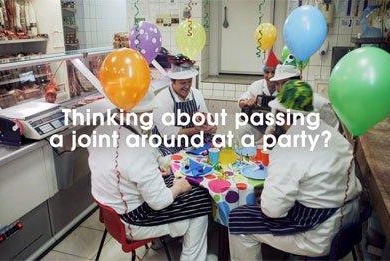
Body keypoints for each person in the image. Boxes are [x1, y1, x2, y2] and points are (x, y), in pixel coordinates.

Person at [228, 80, 362, 259]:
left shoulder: (288, 146)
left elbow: (272, 210)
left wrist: (267, 198)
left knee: (238, 219)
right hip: (350, 219)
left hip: (318, 233)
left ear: (281, 115)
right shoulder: (333, 134)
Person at [89, 88, 212, 261]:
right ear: (140, 113)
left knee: (173, 183)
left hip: (113, 210)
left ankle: (161, 241)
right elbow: (159, 202)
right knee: (200, 200)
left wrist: (162, 164)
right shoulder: (137, 149)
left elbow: (138, 161)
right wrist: (179, 187)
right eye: (150, 112)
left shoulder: (101, 130)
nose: (152, 116)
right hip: (133, 220)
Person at [153, 54, 216, 155]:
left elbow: (207, 118)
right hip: (169, 142)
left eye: (189, 82)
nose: (187, 86)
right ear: (173, 81)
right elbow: (168, 134)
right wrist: (196, 130)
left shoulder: (196, 94)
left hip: (193, 138)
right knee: (174, 162)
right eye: (182, 83)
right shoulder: (162, 100)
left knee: (215, 148)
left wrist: (210, 124)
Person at [270, 64, 339, 129]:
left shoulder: (319, 103)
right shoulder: (277, 103)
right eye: (277, 84)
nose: (281, 88)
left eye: (285, 83)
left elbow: (334, 130)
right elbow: (272, 127)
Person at [236, 52, 279, 142]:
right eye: (267, 72)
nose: (270, 76)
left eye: (273, 72)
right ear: (263, 73)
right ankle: (248, 154)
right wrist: (246, 102)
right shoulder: (257, 85)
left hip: (278, 126)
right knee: (243, 130)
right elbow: (242, 100)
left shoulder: (283, 86)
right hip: (259, 123)